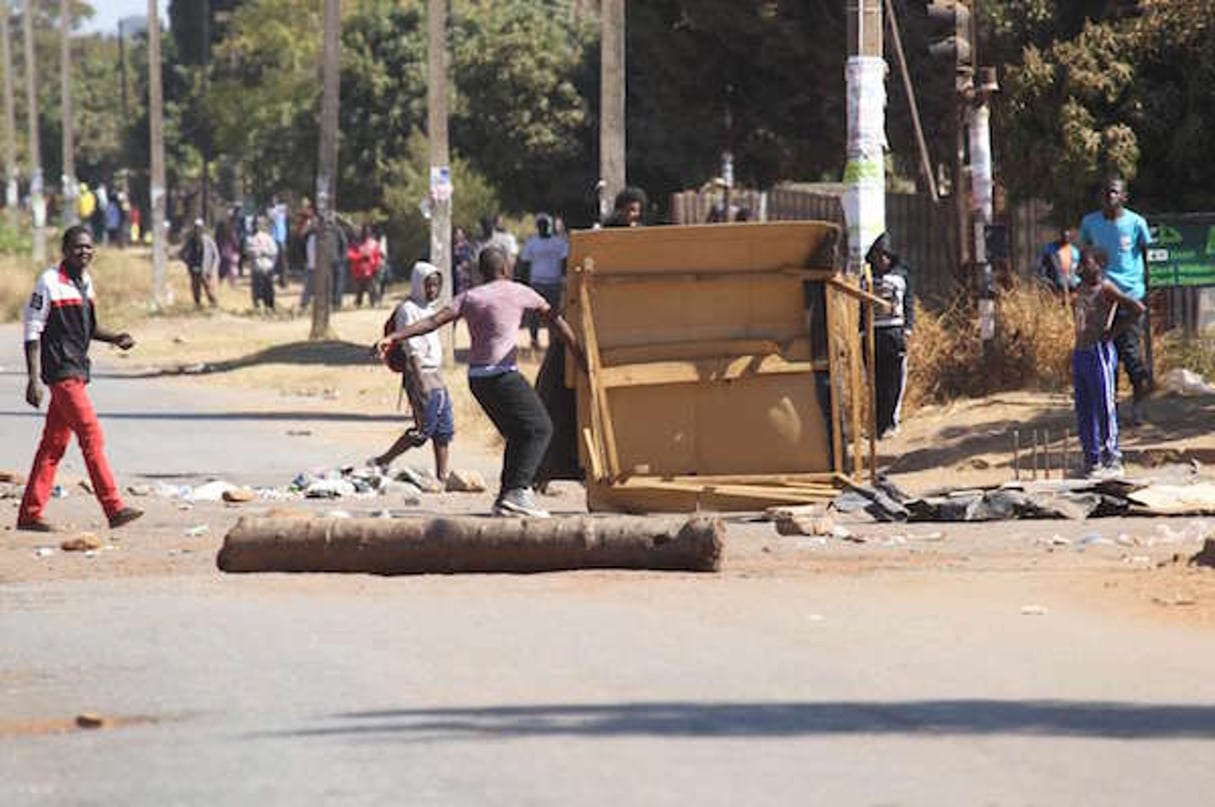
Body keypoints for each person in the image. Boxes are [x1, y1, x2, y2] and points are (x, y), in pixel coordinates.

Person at [377, 247, 585, 518]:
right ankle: (518, 491)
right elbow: (557, 321)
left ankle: (506, 498)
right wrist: (579, 355)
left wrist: (394, 337)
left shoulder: (470, 296)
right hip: (502, 375)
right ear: (506, 269)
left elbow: (433, 321)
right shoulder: (519, 291)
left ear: (481, 272)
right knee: (540, 428)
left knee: (519, 433)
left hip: (478, 380)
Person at [17, 226, 143, 532]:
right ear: (64, 250)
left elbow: (89, 327)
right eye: (78, 248)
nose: (84, 252)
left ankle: (30, 514)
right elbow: (32, 330)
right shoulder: (49, 282)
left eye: (88, 247)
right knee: (91, 433)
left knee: (53, 444)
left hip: (77, 367)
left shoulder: (85, 282)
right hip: (60, 371)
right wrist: (33, 379)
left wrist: (116, 337)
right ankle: (113, 508)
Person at [1080, 175, 1153, 424]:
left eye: (1114, 192)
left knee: (1131, 354)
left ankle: (1139, 404)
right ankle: (1108, 409)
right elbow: (1086, 257)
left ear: (1124, 196)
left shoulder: (1136, 223)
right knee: (1102, 353)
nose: (1109, 197)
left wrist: (1145, 291)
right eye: (1105, 193)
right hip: (1102, 298)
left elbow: (1146, 257)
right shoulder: (1090, 223)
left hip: (1130, 295)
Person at [371, 262, 453, 485]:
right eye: (429, 286)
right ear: (418, 285)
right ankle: (383, 460)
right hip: (420, 375)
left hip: (435, 373)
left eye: (436, 286)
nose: (433, 291)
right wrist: (420, 384)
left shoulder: (429, 309)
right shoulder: (408, 309)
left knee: (444, 427)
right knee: (423, 430)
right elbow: (412, 350)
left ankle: (442, 475)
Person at [1071, 246, 1146, 478]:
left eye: (1087, 263)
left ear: (1099, 266)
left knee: (1104, 405)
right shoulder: (1079, 289)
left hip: (1098, 351)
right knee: (1084, 408)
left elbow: (1137, 308)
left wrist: (1112, 333)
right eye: (1080, 264)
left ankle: (1111, 457)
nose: (1081, 268)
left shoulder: (1106, 288)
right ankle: (1091, 459)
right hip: (1081, 352)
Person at [864, 232, 915, 439]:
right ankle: (877, 424)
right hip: (871, 332)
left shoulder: (902, 276)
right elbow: (862, 306)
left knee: (894, 380)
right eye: (877, 255)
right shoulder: (866, 277)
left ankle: (891, 422)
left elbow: (909, 302)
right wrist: (860, 330)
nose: (881, 260)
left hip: (894, 331)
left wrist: (908, 328)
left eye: (885, 255)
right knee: (875, 381)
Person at [519, 213, 569, 350]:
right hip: (536, 282)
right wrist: (523, 282)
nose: (545, 227)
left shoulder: (559, 243)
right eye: (542, 225)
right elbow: (525, 263)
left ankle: (552, 340)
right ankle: (534, 339)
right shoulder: (531, 243)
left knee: (553, 314)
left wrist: (564, 279)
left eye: (547, 225)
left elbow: (564, 261)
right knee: (534, 314)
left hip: (554, 282)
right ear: (538, 227)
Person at [179, 218, 220, 308]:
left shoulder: (208, 241)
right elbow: (182, 253)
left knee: (208, 287)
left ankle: (214, 303)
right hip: (194, 267)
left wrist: (212, 268)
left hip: (205, 268)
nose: (198, 230)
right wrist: (188, 262)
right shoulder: (190, 240)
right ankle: (197, 304)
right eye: (196, 227)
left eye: (200, 228)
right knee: (195, 287)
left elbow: (216, 255)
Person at [244, 216, 278, 311]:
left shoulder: (267, 237)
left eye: (258, 224)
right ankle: (257, 307)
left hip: (267, 267)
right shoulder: (250, 239)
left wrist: (264, 253)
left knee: (268, 289)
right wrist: (252, 255)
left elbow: (274, 251)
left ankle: (270, 307)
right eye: (254, 224)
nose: (255, 226)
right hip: (256, 268)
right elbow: (247, 252)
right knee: (256, 290)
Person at [347, 224, 383, 307]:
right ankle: (358, 302)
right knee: (359, 288)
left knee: (372, 287)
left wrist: (376, 265)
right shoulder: (355, 244)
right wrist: (360, 257)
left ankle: (373, 302)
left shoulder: (373, 243)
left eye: (367, 232)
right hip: (358, 269)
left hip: (371, 269)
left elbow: (377, 255)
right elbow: (350, 255)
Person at [1038, 227, 1081, 294]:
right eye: (1064, 236)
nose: (1065, 238)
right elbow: (1040, 264)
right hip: (1055, 283)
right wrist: (1044, 279)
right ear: (1060, 236)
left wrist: (1076, 280)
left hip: (1071, 284)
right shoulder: (1050, 249)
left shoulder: (1074, 251)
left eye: (1068, 236)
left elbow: (1077, 268)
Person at [215, 217, 241, 288]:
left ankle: (220, 282)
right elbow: (236, 243)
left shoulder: (218, 234)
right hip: (229, 254)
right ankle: (232, 284)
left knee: (221, 270)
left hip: (220, 254)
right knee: (232, 269)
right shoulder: (231, 232)